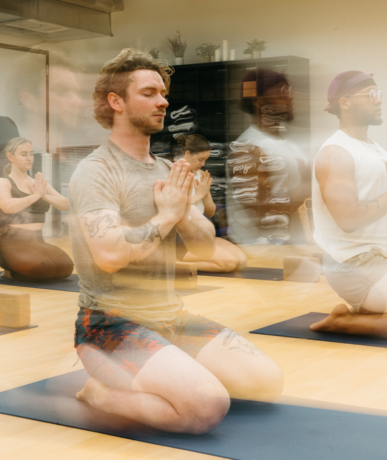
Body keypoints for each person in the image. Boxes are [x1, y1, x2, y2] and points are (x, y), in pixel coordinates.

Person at [69, 48, 283, 435]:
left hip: (172, 317)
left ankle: (169, 367)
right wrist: (167, 214)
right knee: (206, 408)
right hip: (110, 326)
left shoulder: (170, 170)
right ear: (116, 102)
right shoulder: (96, 171)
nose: (163, 100)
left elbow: (204, 248)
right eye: (149, 92)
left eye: (163, 93)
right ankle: (98, 392)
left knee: (266, 383)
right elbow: (110, 255)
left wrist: (183, 211)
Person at [310, 71, 387, 338]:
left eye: (380, 94)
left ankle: (369, 311)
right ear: (346, 102)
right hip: (355, 263)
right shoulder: (336, 152)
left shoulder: (374, 148)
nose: (380, 101)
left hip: (380, 256)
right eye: (372, 95)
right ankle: (342, 322)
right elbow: (348, 219)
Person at [226, 69, 309, 245]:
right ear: (259, 102)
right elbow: (264, 213)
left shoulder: (287, 144)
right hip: (261, 258)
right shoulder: (248, 149)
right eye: (282, 93)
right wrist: (310, 184)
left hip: (290, 250)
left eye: (290, 91)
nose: (290, 98)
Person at [0, 137, 73, 281]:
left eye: (31, 154)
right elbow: (8, 207)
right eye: (24, 154)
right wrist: (36, 196)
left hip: (37, 241)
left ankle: (18, 268)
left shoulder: (38, 183)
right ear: (10, 156)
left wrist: (44, 196)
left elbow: (66, 204)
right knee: (45, 269)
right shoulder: (3, 182)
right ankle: (9, 270)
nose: (29, 158)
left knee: (66, 268)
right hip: (12, 244)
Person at [175, 133, 247, 272]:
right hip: (181, 239)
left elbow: (210, 212)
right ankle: (172, 262)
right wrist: (200, 194)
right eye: (200, 159)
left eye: (205, 160)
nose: (203, 164)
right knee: (228, 263)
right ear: (187, 153)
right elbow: (177, 210)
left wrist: (206, 193)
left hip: (202, 235)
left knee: (242, 261)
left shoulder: (200, 175)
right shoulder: (172, 173)